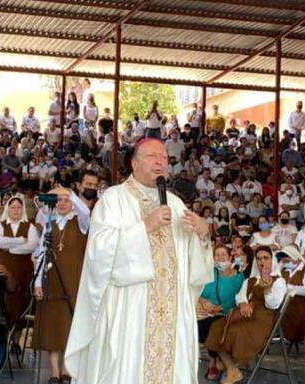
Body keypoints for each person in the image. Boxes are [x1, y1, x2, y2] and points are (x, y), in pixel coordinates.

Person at [65, 139, 213, 384]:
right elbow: (99, 252)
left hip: (171, 313)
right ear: (134, 164)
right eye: (152, 156)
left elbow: (191, 267)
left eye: (164, 157)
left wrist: (203, 236)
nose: (160, 162)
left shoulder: (175, 204)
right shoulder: (114, 199)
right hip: (129, 308)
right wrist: (145, 227)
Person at [204, 246, 286, 384]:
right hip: (244, 314)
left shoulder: (279, 281)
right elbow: (240, 296)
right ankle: (232, 369)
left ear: (272, 260)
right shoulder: (251, 280)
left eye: (266, 258)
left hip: (262, 319)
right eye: (259, 258)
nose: (262, 261)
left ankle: (225, 365)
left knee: (236, 331)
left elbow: (274, 304)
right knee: (217, 326)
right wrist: (243, 304)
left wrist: (267, 289)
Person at [32, 186, 90, 383]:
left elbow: (86, 211)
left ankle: (68, 368)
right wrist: (37, 282)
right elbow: (41, 253)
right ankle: (55, 372)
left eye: (66, 200)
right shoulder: (49, 223)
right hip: (52, 280)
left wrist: (69, 192)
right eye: (59, 200)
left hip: (73, 280)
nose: (62, 203)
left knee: (70, 325)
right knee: (52, 326)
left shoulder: (79, 222)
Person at [198, 245, 246, 381]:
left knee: (212, 327)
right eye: (217, 255)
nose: (220, 258)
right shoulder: (210, 273)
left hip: (226, 313)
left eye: (223, 255)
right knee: (198, 324)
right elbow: (199, 291)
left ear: (230, 256)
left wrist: (218, 308)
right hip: (206, 311)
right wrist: (202, 302)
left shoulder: (238, 276)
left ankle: (223, 365)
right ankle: (217, 361)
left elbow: (236, 298)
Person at [0, 196, 38, 332]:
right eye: (13, 207)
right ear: (8, 209)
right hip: (5, 267)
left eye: (18, 207)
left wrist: (9, 248)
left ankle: (19, 333)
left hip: (24, 269)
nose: (16, 210)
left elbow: (32, 245)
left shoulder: (30, 226)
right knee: (6, 299)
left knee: (22, 300)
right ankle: (5, 331)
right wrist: (20, 240)